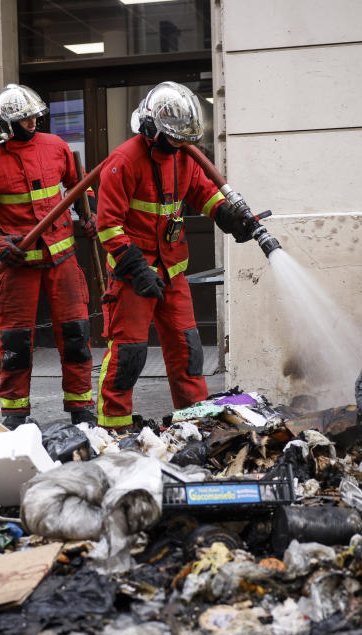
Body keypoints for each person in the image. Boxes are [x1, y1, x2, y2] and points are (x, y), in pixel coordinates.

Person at [95, 81, 262, 429]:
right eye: (173, 138)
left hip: (172, 274)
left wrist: (230, 219)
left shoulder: (183, 156)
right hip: (132, 278)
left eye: (184, 139)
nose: (179, 145)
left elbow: (204, 192)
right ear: (152, 128)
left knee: (188, 352)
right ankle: (113, 429)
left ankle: (194, 424)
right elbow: (108, 225)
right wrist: (137, 269)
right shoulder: (122, 162)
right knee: (128, 356)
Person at [0, 84, 97, 429]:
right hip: (18, 266)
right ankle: (15, 413)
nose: (33, 122)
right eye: (25, 118)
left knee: (76, 335)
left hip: (63, 262)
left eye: (35, 116)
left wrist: (90, 214)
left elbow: (80, 186)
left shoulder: (57, 147)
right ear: (7, 124)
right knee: (15, 343)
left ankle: (80, 407)